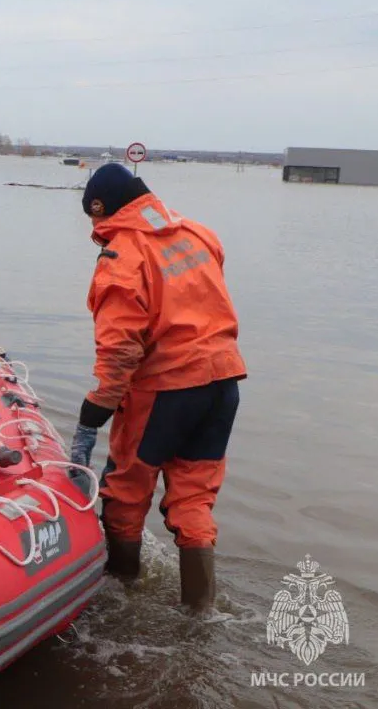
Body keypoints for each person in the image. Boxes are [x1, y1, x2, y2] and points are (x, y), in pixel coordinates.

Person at [67, 163, 246, 616]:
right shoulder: (199, 233)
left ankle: (120, 595)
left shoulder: (122, 258)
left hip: (164, 390)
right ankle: (201, 612)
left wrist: (97, 408)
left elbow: (120, 348)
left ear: (99, 208)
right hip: (222, 384)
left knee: (125, 494)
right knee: (194, 497)